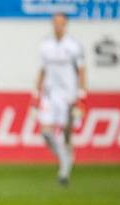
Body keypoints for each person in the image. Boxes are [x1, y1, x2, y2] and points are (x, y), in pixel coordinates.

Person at [32, 12, 87, 185]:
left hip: (68, 95)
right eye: (55, 22)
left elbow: (81, 71)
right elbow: (42, 70)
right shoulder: (45, 45)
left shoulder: (74, 46)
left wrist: (81, 95)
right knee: (46, 132)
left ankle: (64, 171)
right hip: (50, 93)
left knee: (67, 135)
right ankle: (64, 160)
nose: (58, 26)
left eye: (61, 23)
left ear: (66, 25)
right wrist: (35, 94)